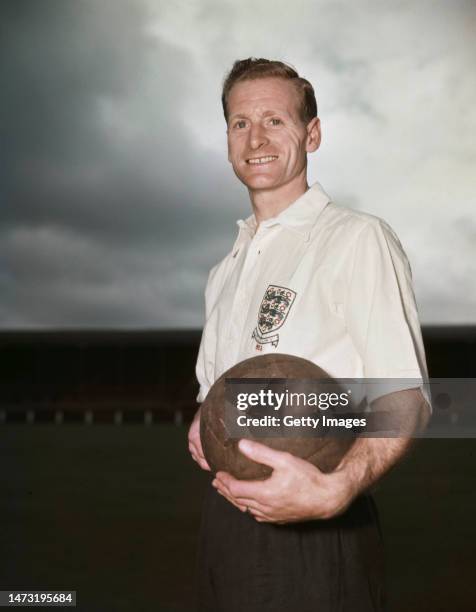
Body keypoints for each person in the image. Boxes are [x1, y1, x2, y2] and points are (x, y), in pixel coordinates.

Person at [188, 58, 430, 612]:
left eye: (275, 120)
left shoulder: (356, 239)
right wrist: (202, 424)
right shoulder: (224, 269)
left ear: (312, 134)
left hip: (318, 533)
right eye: (240, 123)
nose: (256, 138)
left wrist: (338, 489)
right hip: (222, 524)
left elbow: (404, 396)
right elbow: (215, 395)